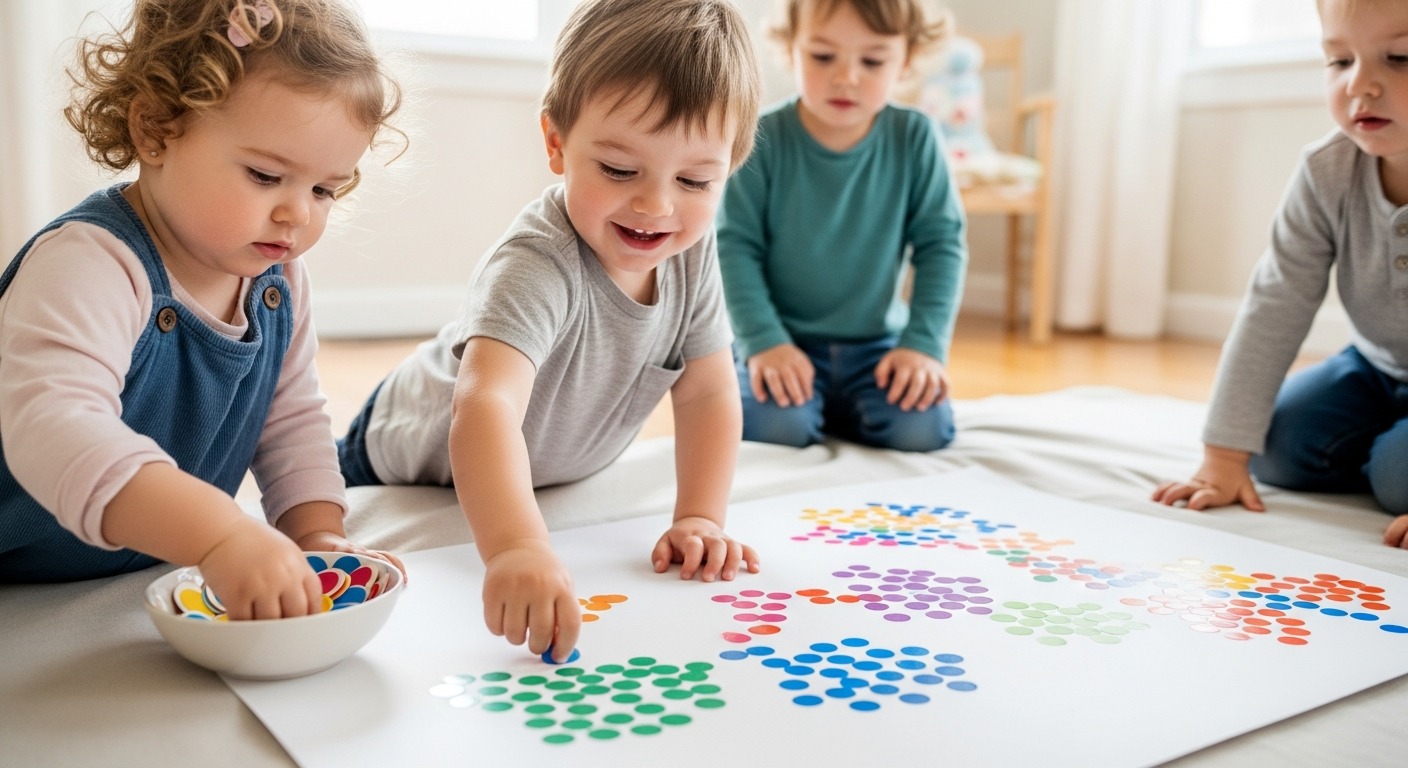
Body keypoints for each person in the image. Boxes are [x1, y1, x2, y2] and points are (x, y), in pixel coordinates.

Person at [336, 0, 762, 661]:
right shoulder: (539, 262)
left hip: (544, 466)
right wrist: (518, 548)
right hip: (399, 457)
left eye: (695, 180)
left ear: (728, 168)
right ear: (557, 144)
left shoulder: (691, 253)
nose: (656, 206)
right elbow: (486, 404)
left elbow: (708, 391)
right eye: (619, 170)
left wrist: (700, 517)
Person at [0, 0, 405, 615]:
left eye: (324, 189)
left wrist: (317, 536)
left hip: (135, 564)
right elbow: (55, 429)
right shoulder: (89, 262)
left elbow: (291, 419)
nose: (298, 213)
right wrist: (219, 531)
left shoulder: (280, 281)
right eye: (266, 176)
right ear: (156, 130)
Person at [1153, 0, 1408, 549]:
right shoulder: (1326, 171)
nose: (1360, 84)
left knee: (1397, 475)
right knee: (1272, 447)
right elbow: (1274, 305)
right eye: (1339, 61)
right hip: (1374, 364)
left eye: (1401, 58)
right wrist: (1222, 456)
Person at [716, 0, 967, 452]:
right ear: (791, 48)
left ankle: (839, 409)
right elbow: (734, 248)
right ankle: (816, 410)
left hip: (878, 348)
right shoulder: (762, 138)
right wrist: (764, 342)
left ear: (905, 60)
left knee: (921, 429)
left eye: (872, 61)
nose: (846, 77)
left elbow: (941, 246)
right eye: (822, 56)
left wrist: (922, 346)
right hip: (781, 341)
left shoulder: (914, 137)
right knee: (776, 427)